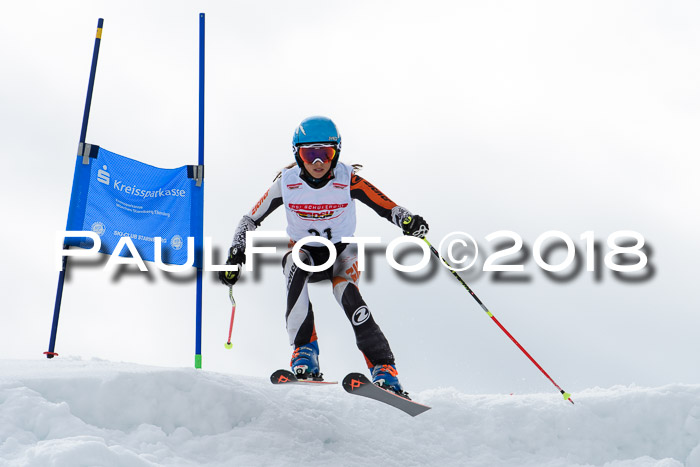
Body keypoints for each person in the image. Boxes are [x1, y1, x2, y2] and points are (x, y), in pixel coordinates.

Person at [219, 116, 429, 397]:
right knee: (294, 262)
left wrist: (408, 220)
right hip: (305, 252)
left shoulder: (347, 179)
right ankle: (304, 352)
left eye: (325, 153)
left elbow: (386, 206)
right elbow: (249, 219)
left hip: (341, 251)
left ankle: (384, 369)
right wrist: (235, 253)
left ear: (336, 153)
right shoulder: (287, 183)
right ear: (298, 155)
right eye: (310, 153)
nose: (318, 162)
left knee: (346, 291)